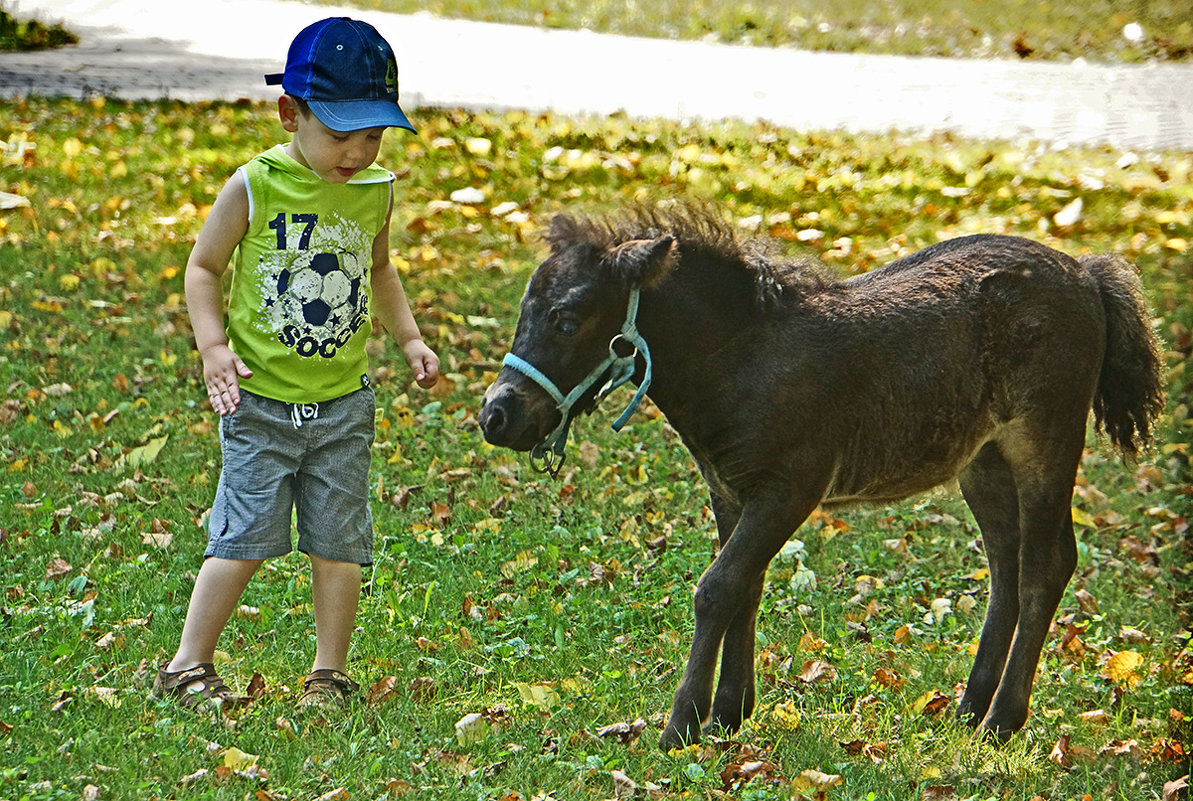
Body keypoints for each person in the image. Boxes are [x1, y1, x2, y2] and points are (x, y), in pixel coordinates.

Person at [152, 16, 439, 710]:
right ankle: (186, 665)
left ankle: (328, 673)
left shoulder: (376, 188)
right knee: (242, 538)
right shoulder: (254, 185)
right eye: (340, 133)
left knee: (339, 543)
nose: (357, 151)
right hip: (260, 405)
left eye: (371, 135)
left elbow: (379, 268)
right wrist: (213, 346)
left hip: (342, 405)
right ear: (290, 113)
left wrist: (408, 338)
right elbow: (202, 268)